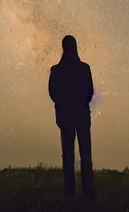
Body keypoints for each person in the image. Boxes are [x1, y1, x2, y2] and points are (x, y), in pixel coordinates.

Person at [48, 35, 95, 200]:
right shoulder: (83, 68)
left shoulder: (57, 70)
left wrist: (65, 105)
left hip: (69, 116)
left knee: (70, 155)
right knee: (82, 155)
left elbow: (53, 93)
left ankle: (73, 192)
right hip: (79, 115)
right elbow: (89, 92)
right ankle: (85, 192)